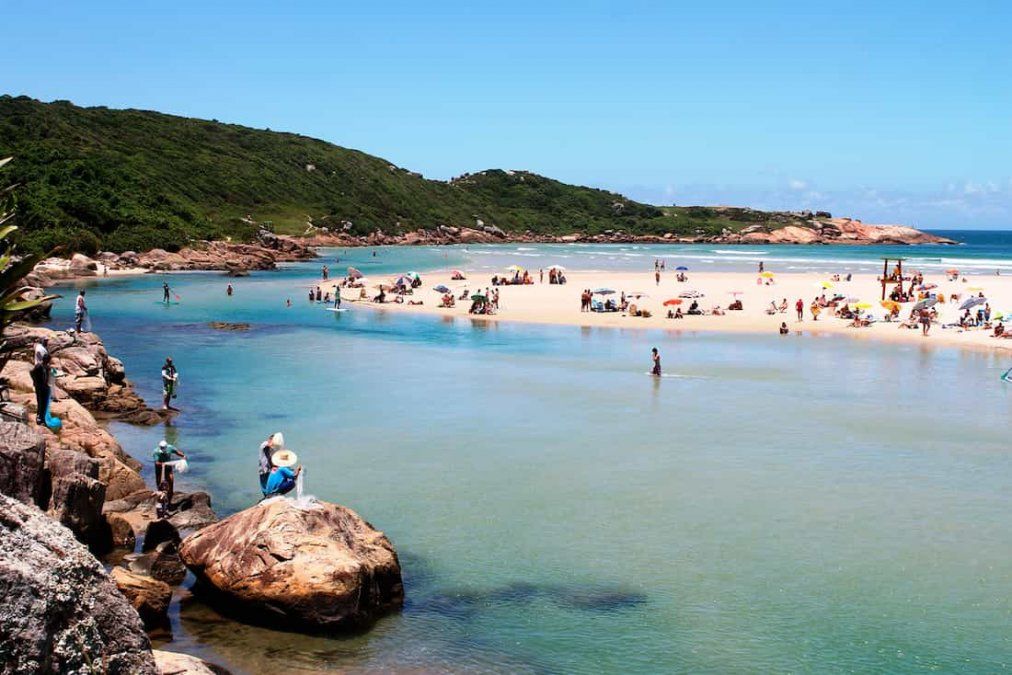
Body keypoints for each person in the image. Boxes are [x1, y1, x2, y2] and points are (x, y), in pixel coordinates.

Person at [152, 439, 186, 507]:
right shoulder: (156, 451)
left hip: (168, 467)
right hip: (159, 468)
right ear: (159, 447)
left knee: (170, 481)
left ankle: (169, 502)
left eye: (164, 448)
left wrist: (183, 456)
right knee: (159, 483)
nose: (163, 449)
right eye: (161, 448)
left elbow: (177, 452)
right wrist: (163, 464)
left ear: (166, 447)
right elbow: (157, 462)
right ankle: (160, 500)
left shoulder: (170, 447)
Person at [30, 336, 51, 425]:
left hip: (44, 386)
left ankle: (43, 418)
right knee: (40, 402)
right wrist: (35, 382)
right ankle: (39, 418)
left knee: (45, 403)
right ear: (44, 360)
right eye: (47, 361)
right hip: (39, 386)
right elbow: (31, 372)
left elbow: (47, 376)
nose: (48, 362)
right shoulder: (39, 366)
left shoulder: (47, 367)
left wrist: (47, 383)